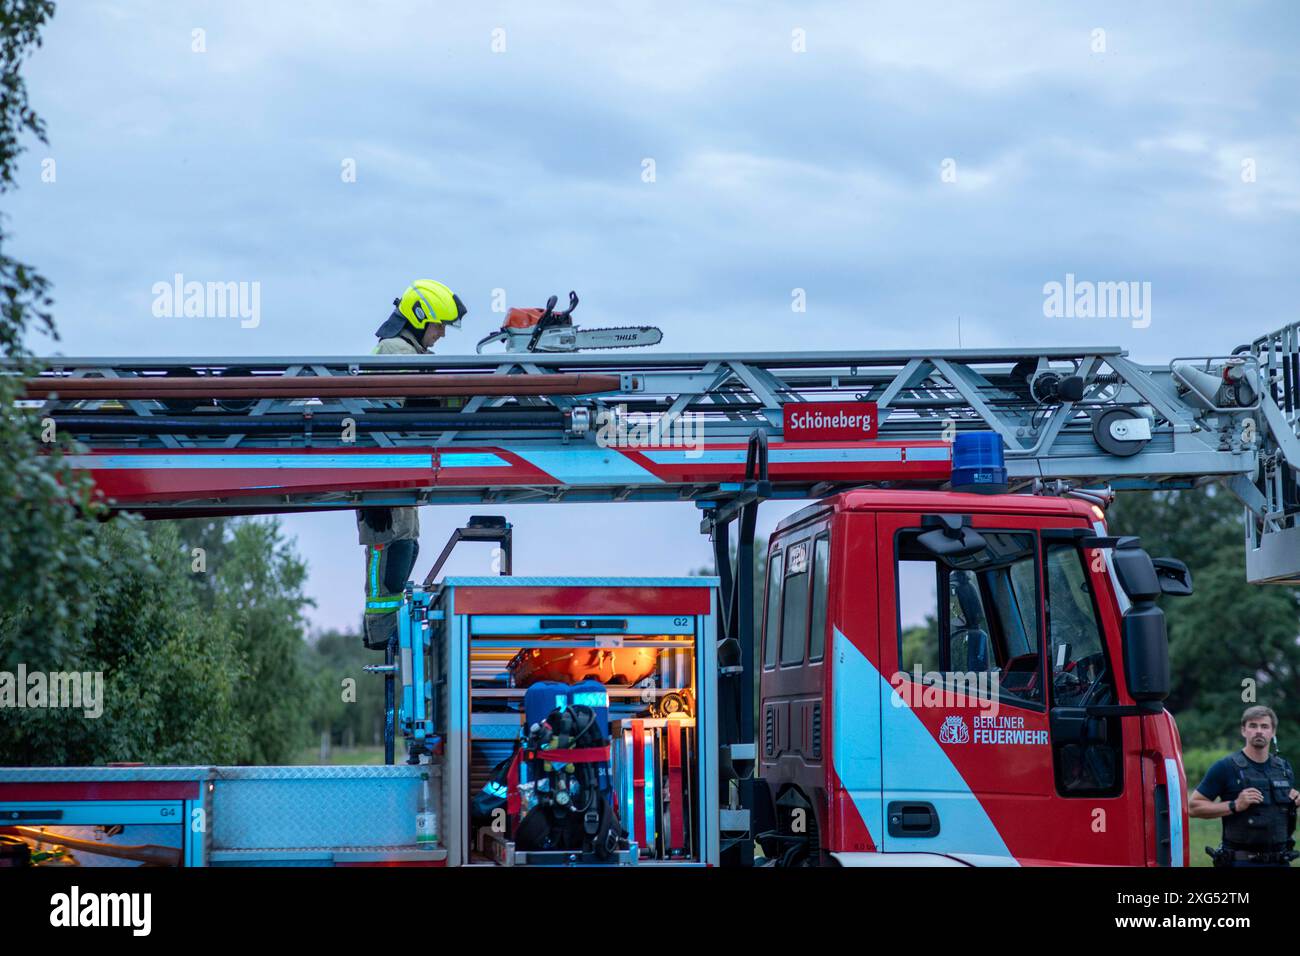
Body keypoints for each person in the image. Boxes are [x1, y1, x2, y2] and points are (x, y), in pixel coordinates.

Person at [358, 279, 468, 650]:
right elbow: (386, 418)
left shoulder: (410, 354)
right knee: (391, 554)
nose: (441, 335)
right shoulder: (393, 352)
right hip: (384, 479)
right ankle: (381, 631)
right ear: (420, 319)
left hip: (397, 477)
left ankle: (389, 628)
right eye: (439, 326)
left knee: (405, 547)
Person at [1188, 705, 1300, 867]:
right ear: (1243, 730)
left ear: (1273, 732)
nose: (1259, 731)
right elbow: (1193, 808)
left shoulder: (1284, 769)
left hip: (1280, 861)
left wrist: (1295, 800)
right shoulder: (1225, 767)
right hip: (1240, 861)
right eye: (1253, 726)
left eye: (1264, 726)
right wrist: (1235, 805)